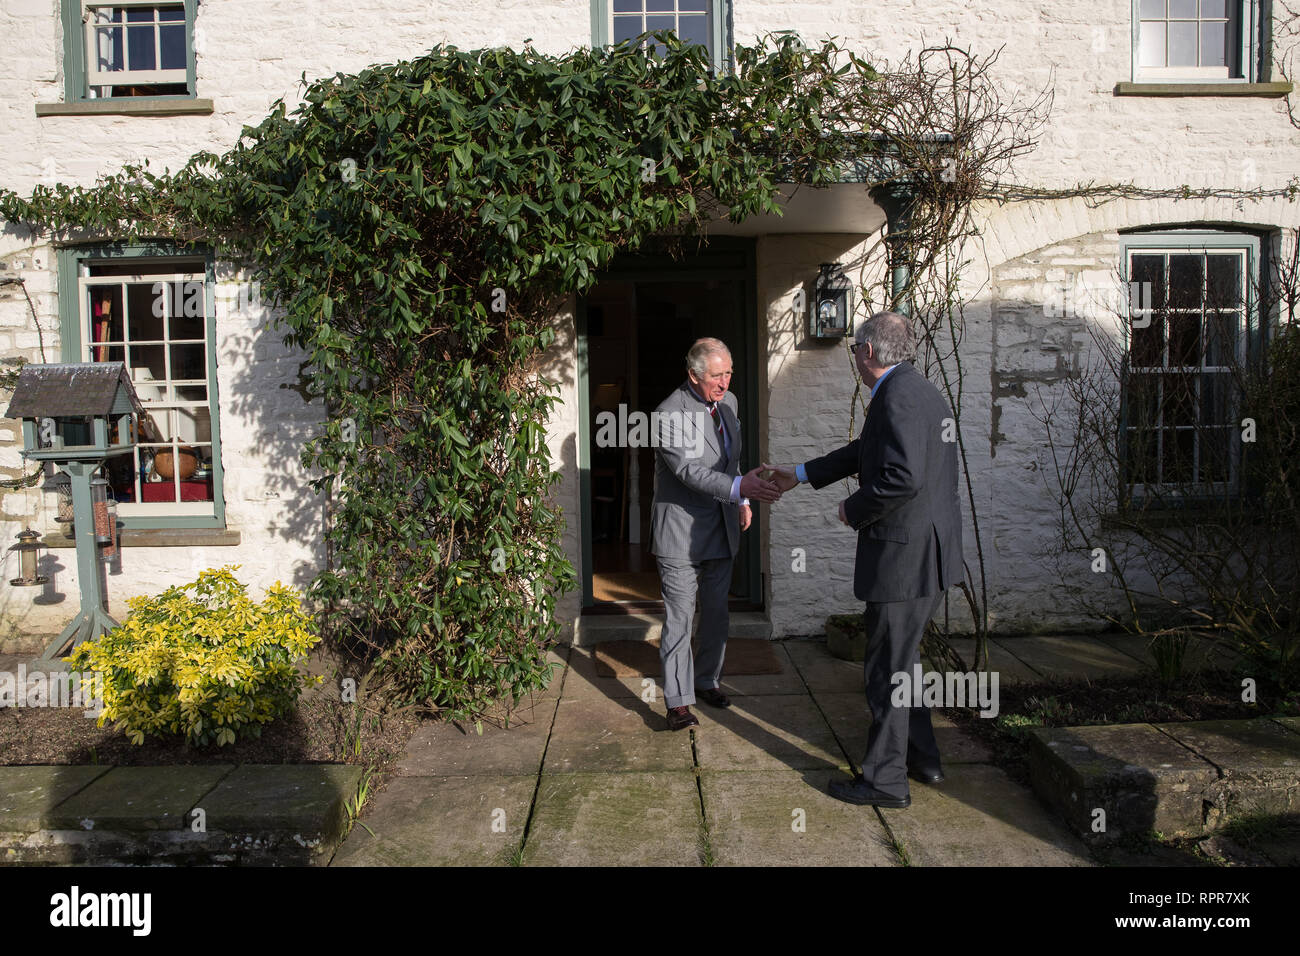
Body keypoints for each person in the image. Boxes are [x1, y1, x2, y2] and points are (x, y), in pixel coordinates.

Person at [770, 312, 964, 807]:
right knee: (905, 665)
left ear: (870, 352)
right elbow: (868, 451)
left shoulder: (896, 396)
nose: (853, 358)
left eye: (855, 349)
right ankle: (923, 760)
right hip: (928, 555)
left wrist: (853, 508)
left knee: (887, 673)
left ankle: (884, 781)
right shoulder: (918, 390)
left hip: (903, 558)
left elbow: (902, 477)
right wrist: (800, 473)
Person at [650, 337, 781, 731]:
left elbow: (731, 460)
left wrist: (740, 500)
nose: (724, 383)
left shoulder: (731, 404)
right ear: (693, 375)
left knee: (717, 615)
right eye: (716, 376)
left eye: (728, 373)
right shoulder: (667, 414)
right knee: (679, 618)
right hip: (680, 534)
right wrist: (740, 490)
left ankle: (706, 681)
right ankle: (677, 702)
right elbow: (689, 471)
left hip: (722, 527)